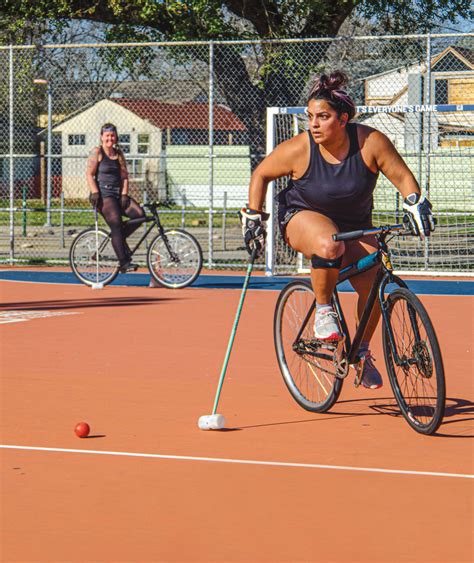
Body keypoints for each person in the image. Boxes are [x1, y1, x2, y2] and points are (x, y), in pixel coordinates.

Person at [240, 71, 435, 389]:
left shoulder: (370, 142)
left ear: (343, 119)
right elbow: (261, 173)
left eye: (323, 117)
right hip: (303, 217)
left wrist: (415, 204)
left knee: (375, 286)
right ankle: (323, 309)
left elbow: (402, 178)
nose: (314, 124)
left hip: (355, 225)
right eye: (310, 117)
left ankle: (359, 352)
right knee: (329, 243)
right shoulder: (301, 148)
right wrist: (253, 217)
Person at [86, 123, 146, 273]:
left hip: (118, 193)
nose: (110, 138)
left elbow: (125, 176)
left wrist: (124, 194)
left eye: (112, 135)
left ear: (116, 137)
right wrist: (95, 192)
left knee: (140, 215)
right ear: (101, 137)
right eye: (107, 135)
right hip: (104, 195)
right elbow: (89, 174)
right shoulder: (97, 152)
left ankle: (117, 238)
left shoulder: (119, 154)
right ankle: (123, 262)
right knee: (117, 224)